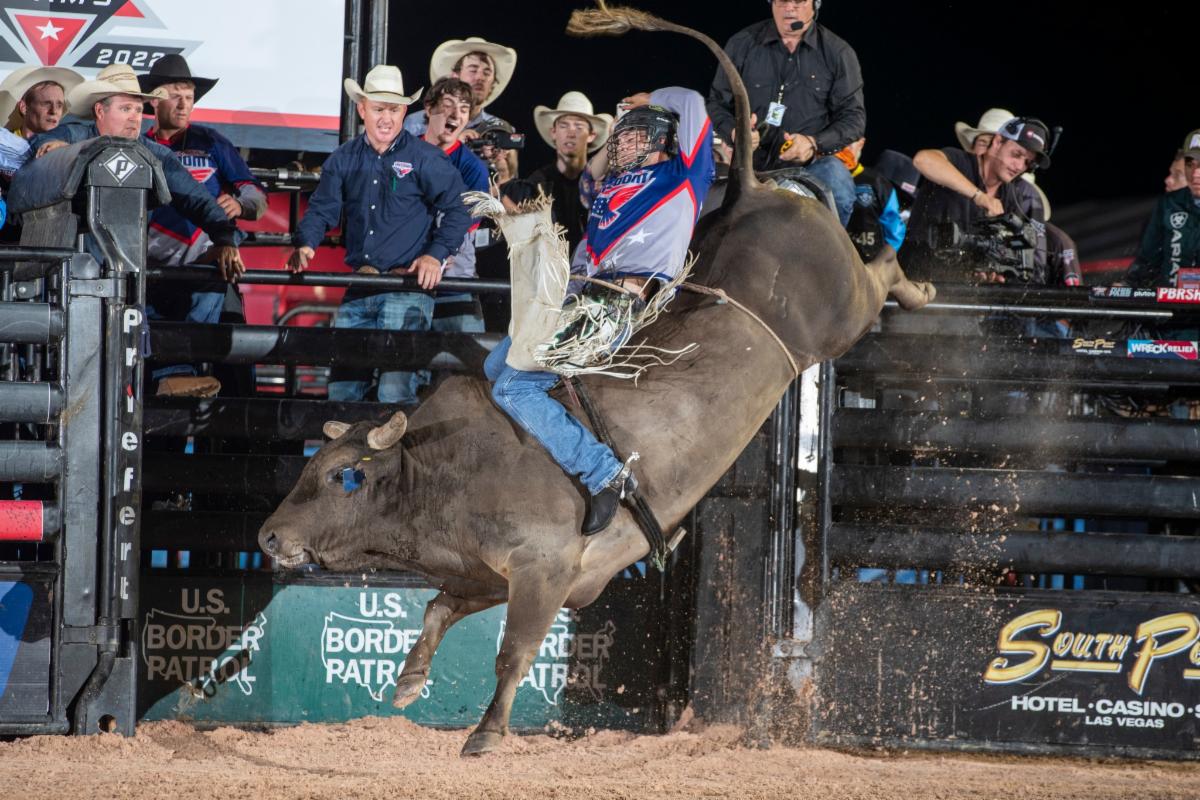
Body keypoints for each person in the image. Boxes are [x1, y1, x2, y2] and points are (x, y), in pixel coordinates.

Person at [485, 86, 714, 536]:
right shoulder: (609, 187)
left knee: (511, 389)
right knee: (495, 365)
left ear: (664, 139)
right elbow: (587, 236)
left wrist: (652, 97)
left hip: (614, 307)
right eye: (620, 136)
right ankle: (560, 450)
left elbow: (690, 102)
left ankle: (602, 473)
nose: (622, 142)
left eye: (635, 133)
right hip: (579, 298)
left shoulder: (683, 177)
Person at [288, 65, 471, 405]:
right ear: (362, 109)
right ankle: (351, 459)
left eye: (393, 109)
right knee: (343, 390)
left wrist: (436, 253)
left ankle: (395, 460)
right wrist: (306, 243)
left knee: (395, 391)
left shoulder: (425, 158)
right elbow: (322, 209)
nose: (386, 118)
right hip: (361, 286)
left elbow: (461, 208)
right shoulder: (344, 158)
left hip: (406, 289)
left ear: (404, 111)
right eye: (378, 109)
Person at [28, 65, 245, 284]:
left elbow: (195, 197)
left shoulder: (155, 153)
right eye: (125, 109)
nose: (135, 118)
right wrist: (58, 150)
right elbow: (42, 142)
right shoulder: (75, 134)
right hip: (68, 270)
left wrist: (225, 238)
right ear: (100, 111)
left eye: (138, 110)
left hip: (127, 274)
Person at [134, 55, 268, 397]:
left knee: (235, 363)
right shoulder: (137, 145)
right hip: (155, 268)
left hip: (209, 261)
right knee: (152, 361)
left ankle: (238, 438)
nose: (183, 104)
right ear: (154, 99)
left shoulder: (212, 142)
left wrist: (240, 204)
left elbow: (255, 194)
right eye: (175, 94)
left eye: (189, 96)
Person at [706, 0, 864, 226]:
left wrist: (812, 142)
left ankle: (826, 258)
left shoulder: (838, 53)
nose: (789, 7)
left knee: (838, 184)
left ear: (815, 4)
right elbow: (716, 104)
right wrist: (735, 131)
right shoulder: (742, 43)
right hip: (748, 163)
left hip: (809, 166)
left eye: (798, 1)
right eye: (781, 0)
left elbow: (854, 118)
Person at [905, 116, 1052, 282]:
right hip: (915, 281)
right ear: (997, 142)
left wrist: (994, 272)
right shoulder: (960, 160)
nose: (1019, 166)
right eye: (1016, 154)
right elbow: (922, 160)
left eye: (1027, 162)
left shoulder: (1012, 195)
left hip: (960, 293)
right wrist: (979, 196)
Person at [418, 76, 489, 382]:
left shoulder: (473, 167)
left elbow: (468, 221)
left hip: (455, 283)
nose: (455, 113)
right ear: (428, 108)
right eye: (446, 104)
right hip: (406, 283)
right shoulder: (403, 154)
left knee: (469, 374)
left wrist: (437, 252)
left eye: (463, 108)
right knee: (404, 372)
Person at [504, 91, 612, 253]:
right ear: (553, 132)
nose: (571, 133)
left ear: (591, 135)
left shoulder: (603, 182)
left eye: (579, 126)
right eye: (564, 125)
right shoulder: (537, 182)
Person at [405, 38, 520, 184]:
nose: (480, 77)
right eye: (473, 70)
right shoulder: (415, 122)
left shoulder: (502, 129)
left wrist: (502, 169)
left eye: (487, 72)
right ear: (454, 75)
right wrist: (454, 145)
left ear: (493, 83)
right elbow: (401, 172)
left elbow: (512, 186)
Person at [1123, 130, 1200, 289]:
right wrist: (1126, 284)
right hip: (1173, 307)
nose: (1195, 173)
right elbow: (1147, 259)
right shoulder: (1168, 203)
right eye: (1190, 165)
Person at [838, 138, 905, 262]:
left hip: (870, 263)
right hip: (836, 259)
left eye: (849, 142)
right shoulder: (822, 178)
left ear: (860, 143)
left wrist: (883, 262)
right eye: (840, 143)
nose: (844, 148)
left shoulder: (877, 182)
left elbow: (894, 228)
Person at [0, 65, 83, 139]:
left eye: (59, 105)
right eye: (46, 104)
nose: (54, 111)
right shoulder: (3, 146)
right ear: (24, 108)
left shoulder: (67, 151)